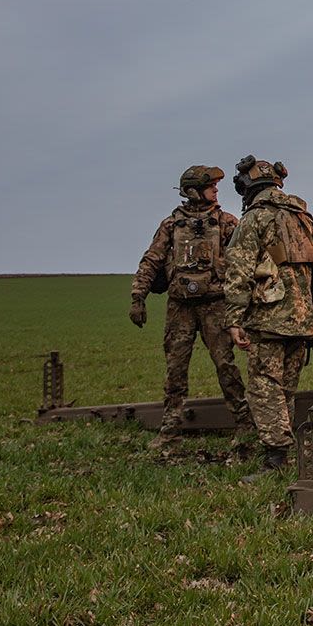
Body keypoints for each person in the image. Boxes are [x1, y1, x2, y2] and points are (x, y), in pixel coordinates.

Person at [130, 165, 254, 453]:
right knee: (175, 370)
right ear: (192, 190)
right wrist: (138, 297)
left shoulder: (226, 223)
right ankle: (170, 432)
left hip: (216, 306)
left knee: (227, 367)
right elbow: (151, 260)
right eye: (210, 185)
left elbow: (244, 262)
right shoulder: (171, 225)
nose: (216, 189)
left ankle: (245, 425)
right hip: (180, 308)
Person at [222, 155, 313, 472]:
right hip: (303, 321)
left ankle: (276, 458)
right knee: (286, 388)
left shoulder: (255, 220)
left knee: (264, 388)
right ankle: (285, 451)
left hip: (268, 322)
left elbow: (238, 273)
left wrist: (234, 320)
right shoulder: (304, 218)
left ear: (249, 189)